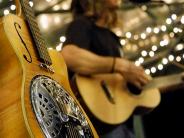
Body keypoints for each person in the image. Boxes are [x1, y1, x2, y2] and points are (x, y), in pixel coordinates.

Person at [61, 0, 150, 137]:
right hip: (99, 124)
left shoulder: (112, 36)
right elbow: (69, 55)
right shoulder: (82, 25)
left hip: (123, 121)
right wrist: (119, 65)